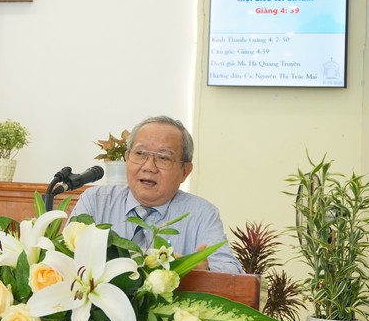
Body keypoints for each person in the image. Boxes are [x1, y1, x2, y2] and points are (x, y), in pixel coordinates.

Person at [69, 115, 242, 274]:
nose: (149, 167)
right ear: (127, 158)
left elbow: (233, 271)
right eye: (140, 154)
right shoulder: (95, 201)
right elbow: (65, 256)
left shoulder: (201, 213)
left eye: (163, 158)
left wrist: (203, 270)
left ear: (185, 171)